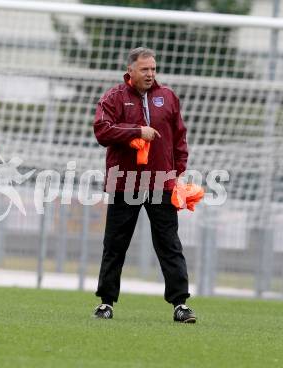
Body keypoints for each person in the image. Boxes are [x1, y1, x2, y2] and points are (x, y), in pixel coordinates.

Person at [92, 47, 196, 323]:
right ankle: (106, 302)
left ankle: (180, 304)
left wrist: (179, 173)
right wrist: (136, 131)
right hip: (123, 182)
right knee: (115, 244)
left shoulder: (168, 97)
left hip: (160, 182)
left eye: (153, 69)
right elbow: (102, 131)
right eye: (144, 69)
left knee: (169, 243)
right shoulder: (113, 97)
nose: (150, 74)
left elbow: (179, 140)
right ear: (130, 71)